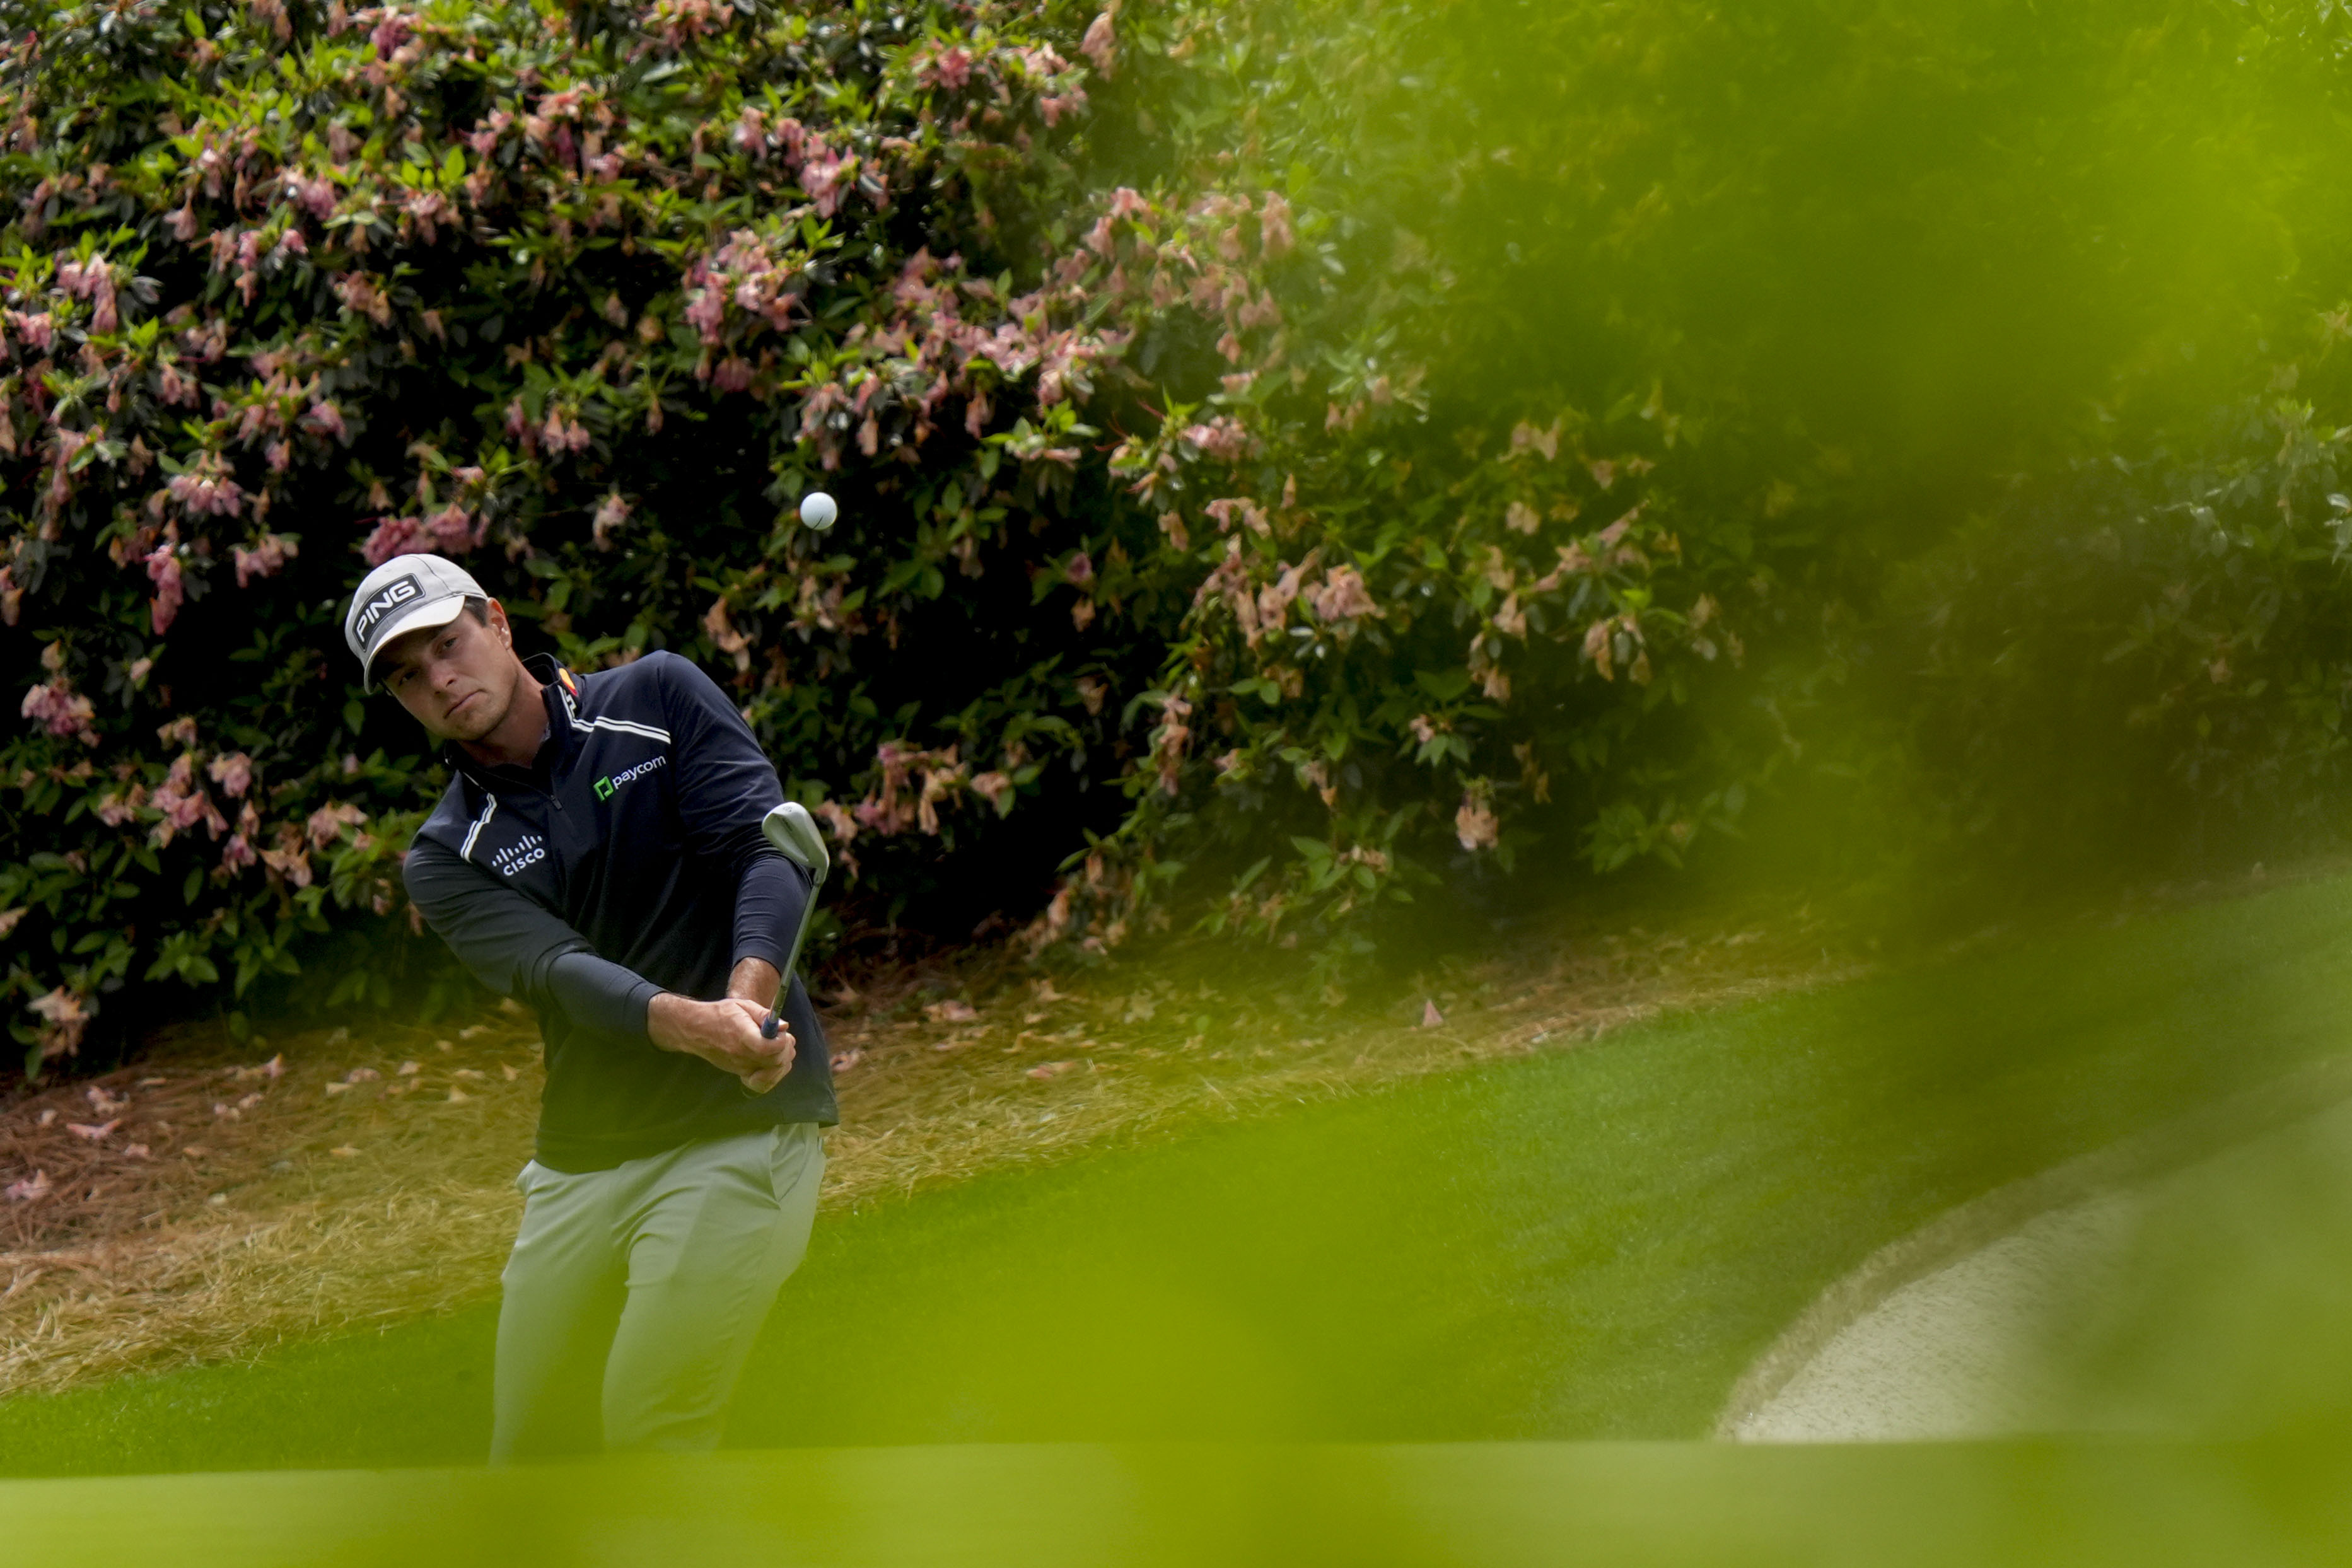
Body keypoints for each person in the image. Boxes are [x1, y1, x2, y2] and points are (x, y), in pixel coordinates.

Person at [342, 552, 836, 1460]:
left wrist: (744, 1002)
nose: (440, 681)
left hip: (734, 1128)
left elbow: (767, 852)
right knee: (531, 1454)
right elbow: (558, 971)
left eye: (448, 645)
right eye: (409, 678)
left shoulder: (656, 698)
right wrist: (698, 1028)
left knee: (651, 1422)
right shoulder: (445, 855)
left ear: (498, 622)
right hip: (581, 1160)